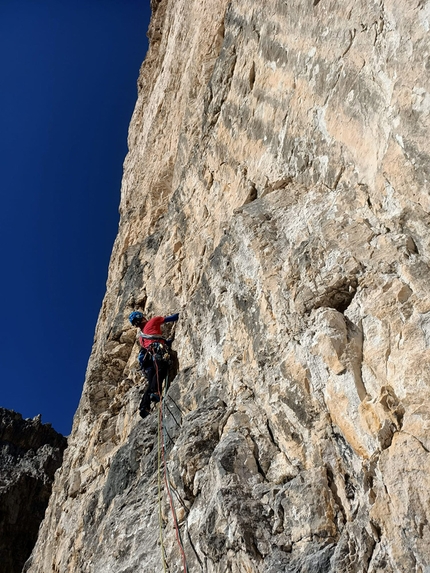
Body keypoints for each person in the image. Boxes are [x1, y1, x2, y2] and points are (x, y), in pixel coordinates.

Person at [129, 311, 179, 419]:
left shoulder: (141, 338)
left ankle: (144, 407)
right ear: (142, 318)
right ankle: (155, 391)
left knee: (152, 381)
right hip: (157, 352)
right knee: (161, 369)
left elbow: (154, 341)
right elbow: (172, 318)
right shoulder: (153, 321)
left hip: (149, 359)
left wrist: (167, 342)